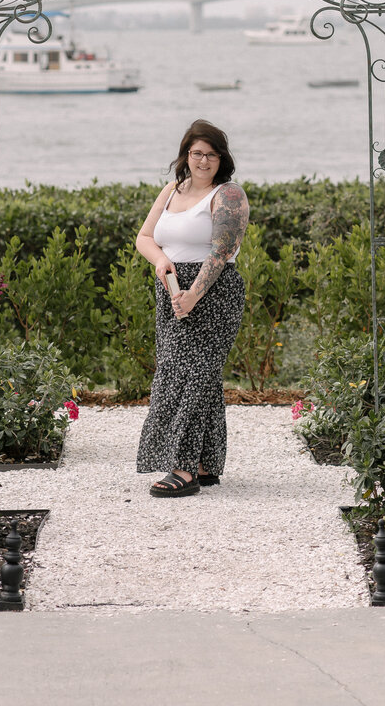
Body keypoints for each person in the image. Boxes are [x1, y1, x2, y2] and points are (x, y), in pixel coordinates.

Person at [135, 119, 249, 498]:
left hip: (213, 294)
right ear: (185, 155)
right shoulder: (171, 190)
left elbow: (220, 252)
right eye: (197, 153)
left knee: (193, 375)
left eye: (211, 154)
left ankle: (183, 469)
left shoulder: (228, 194)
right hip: (171, 292)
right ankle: (205, 463)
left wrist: (193, 294)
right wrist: (160, 262)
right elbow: (145, 237)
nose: (203, 161)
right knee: (183, 371)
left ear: (221, 159)